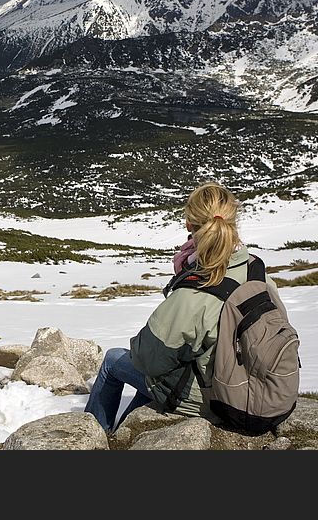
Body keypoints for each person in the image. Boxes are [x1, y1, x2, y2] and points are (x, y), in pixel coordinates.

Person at [85, 181, 270, 432]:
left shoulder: (196, 289)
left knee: (113, 360)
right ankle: (124, 429)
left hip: (219, 399)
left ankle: (96, 436)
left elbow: (148, 360)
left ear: (189, 226)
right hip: (261, 388)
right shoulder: (256, 269)